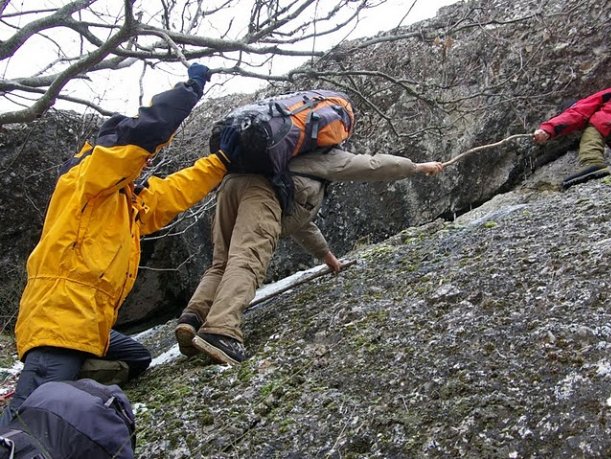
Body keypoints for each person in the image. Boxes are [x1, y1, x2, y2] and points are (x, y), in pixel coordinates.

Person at [0, 63, 231, 426]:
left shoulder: (124, 203)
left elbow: (175, 192)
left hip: (89, 323)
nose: (143, 161)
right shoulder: (86, 179)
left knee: (136, 358)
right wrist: (188, 92)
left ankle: (68, 383)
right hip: (59, 321)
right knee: (29, 419)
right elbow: (142, 134)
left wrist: (221, 162)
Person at [174, 123, 445, 365]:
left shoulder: (286, 157)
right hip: (260, 192)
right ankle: (221, 329)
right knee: (248, 260)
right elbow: (372, 165)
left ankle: (192, 319)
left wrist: (327, 257)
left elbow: (300, 221)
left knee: (222, 263)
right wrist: (417, 167)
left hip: (231, 186)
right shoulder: (325, 155)